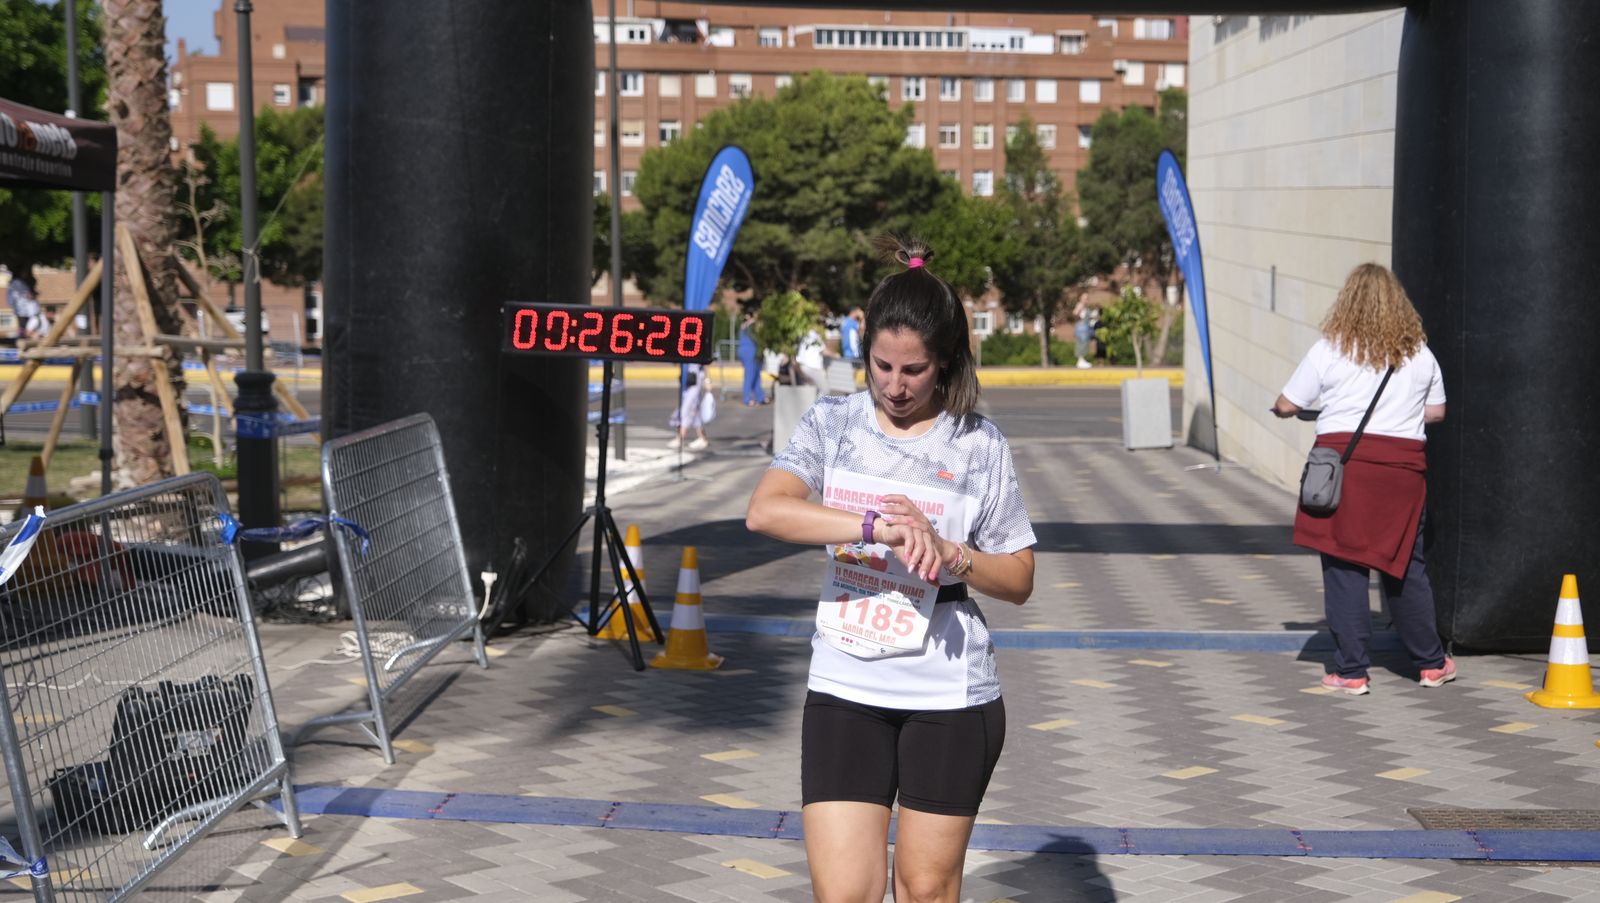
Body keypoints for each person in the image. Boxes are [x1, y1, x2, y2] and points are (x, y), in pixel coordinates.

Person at [746, 236, 1036, 903]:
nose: (895, 386)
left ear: (946, 360)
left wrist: (953, 552)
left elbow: (1020, 578)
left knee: (924, 889)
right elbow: (765, 511)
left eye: (915, 370)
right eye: (882, 365)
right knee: (845, 894)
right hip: (845, 684)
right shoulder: (834, 423)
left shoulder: (977, 443)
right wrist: (874, 526)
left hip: (949, 694)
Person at [1272, 262, 1454, 696]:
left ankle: (1351, 671)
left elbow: (1287, 404)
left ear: (1347, 302)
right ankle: (1431, 664)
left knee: (1344, 566)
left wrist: (1290, 410)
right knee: (1405, 566)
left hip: (1346, 471)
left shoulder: (1330, 349)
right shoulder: (1420, 354)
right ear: (1399, 304)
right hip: (1402, 475)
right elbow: (1436, 412)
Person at [669, 361, 711, 450]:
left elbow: (705, 362)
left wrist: (707, 380)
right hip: (686, 378)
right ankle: (702, 438)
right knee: (695, 412)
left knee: (686, 409)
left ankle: (680, 438)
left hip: (695, 378)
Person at [738, 309, 766, 406]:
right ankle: (747, 399)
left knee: (756, 375)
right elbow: (756, 339)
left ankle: (760, 397)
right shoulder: (751, 325)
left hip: (748, 351)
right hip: (750, 351)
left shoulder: (744, 325)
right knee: (750, 375)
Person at [795, 324, 826, 388]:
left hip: (803, 367)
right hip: (813, 368)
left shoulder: (803, 335)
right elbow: (823, 350)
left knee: (809, 389)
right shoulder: (816, 336)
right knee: (824, 389)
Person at [1072, 296, 1097, 369]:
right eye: (1086, 299)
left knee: (1085, 344)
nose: (1087, 300)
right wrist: (1079, 310)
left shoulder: (1086, 307)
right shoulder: (1080, 305)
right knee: (1081, 344)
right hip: (1082, 328)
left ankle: (1081, 360)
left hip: (1086, 327)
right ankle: (1080, 361)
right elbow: (1075, 313)